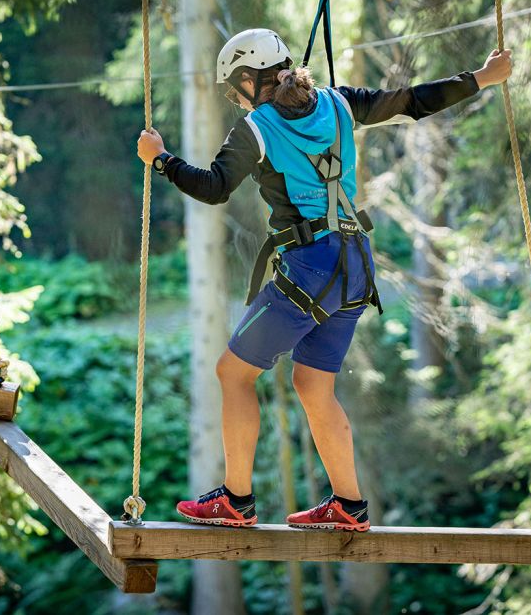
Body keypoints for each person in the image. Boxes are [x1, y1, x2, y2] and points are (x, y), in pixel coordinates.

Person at [136, 28, 511, 532]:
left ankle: (237, 500)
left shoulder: (257, 129)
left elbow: (213, 187)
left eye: (236, 87)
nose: (236, 98)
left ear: (251, 80)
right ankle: (348, 505)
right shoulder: (339, 103)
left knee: (233, 374)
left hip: (311, 267)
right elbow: (412, 101)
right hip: (355, 264)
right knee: (314, 384)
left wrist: (160, 159)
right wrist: (482, 78)